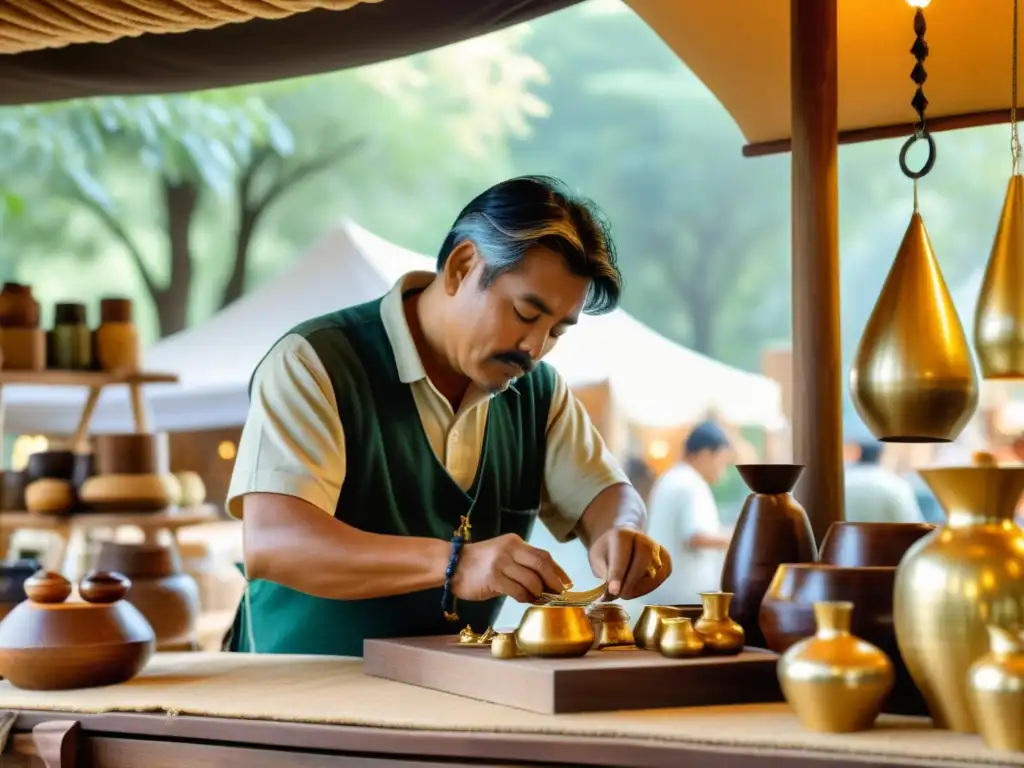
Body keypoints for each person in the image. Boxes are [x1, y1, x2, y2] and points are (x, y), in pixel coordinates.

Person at [223, 175, 671, 656]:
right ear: (461, 267)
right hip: (297, 695)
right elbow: (274, 541)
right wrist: (457, 563)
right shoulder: (316, 362)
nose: (534, 349)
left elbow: (607, 495)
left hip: (452, 692)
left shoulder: (536, 392)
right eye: (524, 313)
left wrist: (621, 531)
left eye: (557, 331)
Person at [638, 421, 734, 606]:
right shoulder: (691, 483)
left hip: (662, 596)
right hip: (684, 604)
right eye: (722, 461)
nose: (723, 472)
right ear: (705, 454)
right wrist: (738, 537)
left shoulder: (670, 477)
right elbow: (695, 536)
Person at [843, 440, 923, 523]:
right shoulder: (895, 484)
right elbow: (910, 521)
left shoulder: (843, 482)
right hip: (888, 535)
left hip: (846, 534)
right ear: (880, 456)